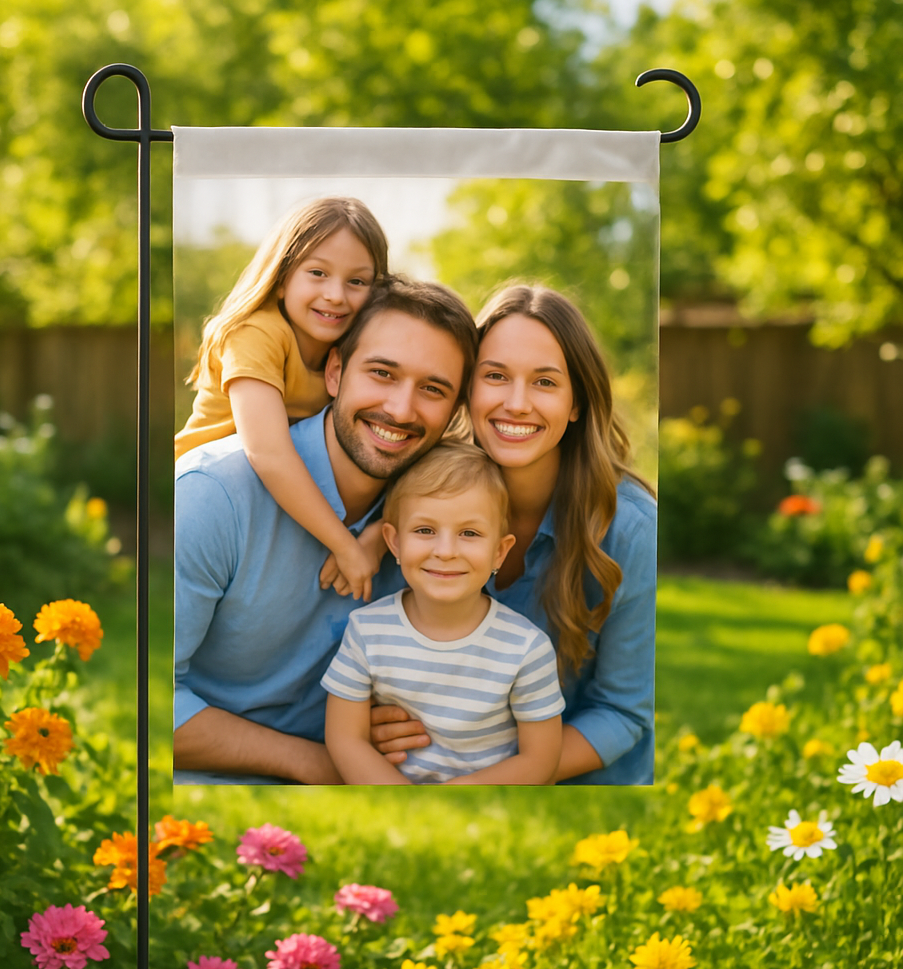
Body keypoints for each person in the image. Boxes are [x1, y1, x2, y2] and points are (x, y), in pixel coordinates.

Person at [173, 277, 478, 784]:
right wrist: (319, 763)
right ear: (334, 371)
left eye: (433, 389)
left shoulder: (444, 527)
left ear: (453, 411)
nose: (401, 411)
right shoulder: (212, 498)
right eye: (382, 373)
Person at [372, 283, 657, 785]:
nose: (517, 403)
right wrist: (373, 724)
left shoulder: (631, 529)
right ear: (469, 389)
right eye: (496, 376)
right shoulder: (424, 494)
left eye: (545, 383)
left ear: (576, 403)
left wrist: (493, 775)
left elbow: (623, 711)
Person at [176, 196, 389, 600]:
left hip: (282, 498)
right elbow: (268, 453)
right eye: (318, 273)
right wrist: (346, 545)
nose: (336, 295)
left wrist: (379, 532)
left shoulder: (350, 349)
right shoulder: (256, 333)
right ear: (282, 277)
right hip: (210, 505)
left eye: (357, 281)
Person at [322, 442, 564, 785]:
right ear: (394, 542)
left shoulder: (526, 648)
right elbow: (345, 739)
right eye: (425, 530)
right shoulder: (367, 631)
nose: (446, 551)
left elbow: (540, 760)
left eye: (469, 533)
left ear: (499, 551)